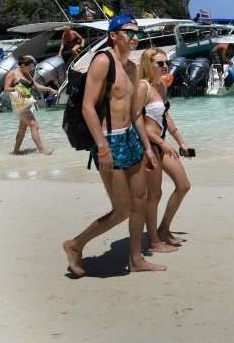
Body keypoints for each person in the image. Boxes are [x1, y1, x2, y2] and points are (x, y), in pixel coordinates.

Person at [62, 14, 164, 277]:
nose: (134, 37)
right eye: (129, 32)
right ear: (114, 35)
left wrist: (149, 148)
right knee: (122, 210)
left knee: (139, 201)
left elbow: (135, 114)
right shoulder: (102, 62)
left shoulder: (132, 68)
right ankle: (75, 245)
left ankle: (136, 259)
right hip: (109, 140)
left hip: (131, 137)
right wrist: (102, 147)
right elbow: (87, 107)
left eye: (136, 32)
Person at [138, 48, 192, 252]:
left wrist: (181, 142)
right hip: (148, 147)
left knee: (184, 185)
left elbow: (166, 117)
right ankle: (153, 241)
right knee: (154, 194)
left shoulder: (161, 86)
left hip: (162, 143)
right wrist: (160, 144)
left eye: (165, 62)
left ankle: (164, 229)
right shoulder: (142, 87)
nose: (164, 66)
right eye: (159, 63)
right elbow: (137, 123)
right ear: (147, 65)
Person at [3, 55, 58, 154]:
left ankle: (15, 152)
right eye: (30, 67)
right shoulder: (12, 73)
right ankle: (43, 151)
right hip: (20, 105)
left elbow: (36, 86)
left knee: (22, 129)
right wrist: (16, 88)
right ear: (23, 65)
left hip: (27, 104)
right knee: (34, 126)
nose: (32, 69)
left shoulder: (26, 73)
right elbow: (6, 88)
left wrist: (49, 89)